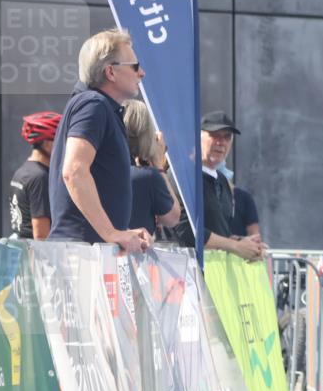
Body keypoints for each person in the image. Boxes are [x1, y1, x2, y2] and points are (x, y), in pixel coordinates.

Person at [48, 28, 152, 253]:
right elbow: (74, 170)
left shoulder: (98, 106)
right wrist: (112, 233)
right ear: (110, 72)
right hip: (83, 252)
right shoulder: (93, 105)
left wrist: (118, 232)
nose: (141, 73)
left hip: (87, 248)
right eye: (134, 66)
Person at [173, 111, 263, 261]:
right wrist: (235, 246)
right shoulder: (181, 174)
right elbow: (184, 229)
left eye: (227, 137)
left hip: (214, 276)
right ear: (197, 136)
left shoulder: (221, 180)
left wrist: (247, 245)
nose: (221, 142)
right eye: (215, 134)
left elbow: (221, 232)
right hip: (185, 274)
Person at [123, 100, 181, 236]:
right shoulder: (147, 177)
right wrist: (159, 165)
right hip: (133, 253)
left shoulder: (101, 168)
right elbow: (172, 218)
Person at [9, 111, 61, 239]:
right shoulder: (40, 177)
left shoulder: (23, 171)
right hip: (35, 255)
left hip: (21, 249)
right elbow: (41, 235)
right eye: (60, 142)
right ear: (49, 144)